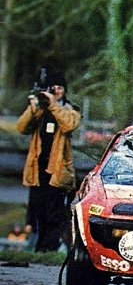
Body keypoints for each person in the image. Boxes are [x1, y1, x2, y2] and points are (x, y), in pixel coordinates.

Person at [16, 70, 81, 252]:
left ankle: (49, 247)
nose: (57, 91)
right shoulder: (41, 109)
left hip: (58, 170)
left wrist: (53, 106)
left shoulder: (71, 109)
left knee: (55, 212)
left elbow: (69, 125)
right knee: (37, 210)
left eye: (60, 88)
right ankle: (39, 248)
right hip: (37, 169)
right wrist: (34, 107)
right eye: (53, 88)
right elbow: (21, 128)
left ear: (64, 91)